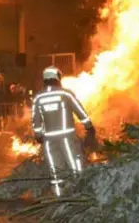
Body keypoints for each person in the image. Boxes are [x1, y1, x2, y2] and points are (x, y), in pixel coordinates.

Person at [31, 66, 98, 197]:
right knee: (75, 165)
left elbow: (35, 119)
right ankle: (79, 193)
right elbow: (79, 110)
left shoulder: (38, 97)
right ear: (57, 78)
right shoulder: (65, 94)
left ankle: (60, 197)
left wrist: (38, 135)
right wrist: (89, 126)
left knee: (56, 170)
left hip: (49, 141)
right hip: (66, 138)